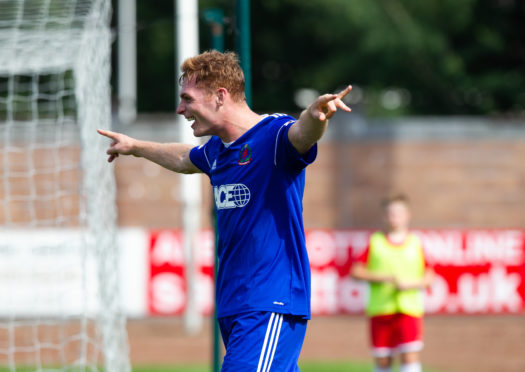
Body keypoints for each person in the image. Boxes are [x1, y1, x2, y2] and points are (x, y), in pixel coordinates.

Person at [98, 50, 352, 371]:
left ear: (220, 96)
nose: (180, 109)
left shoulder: (273, 135)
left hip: (268, 301)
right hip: (235, 304)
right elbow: (184, 158)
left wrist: (315, 118)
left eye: (187, 99)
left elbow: (301, 135)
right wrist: (136, 147)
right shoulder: (218, 151)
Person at [350, 194, 434, 372]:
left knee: (410, 355)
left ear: (408, 214)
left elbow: (429, 276)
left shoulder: (416, 243)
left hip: (409, 309)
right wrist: (384, 278)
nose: (394, 217)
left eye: (399, 212)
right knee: (383, 360)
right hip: (381, 310)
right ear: (384, 216)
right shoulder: (375, 242)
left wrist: (411, 284)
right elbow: (356, 271)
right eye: (390, 213)